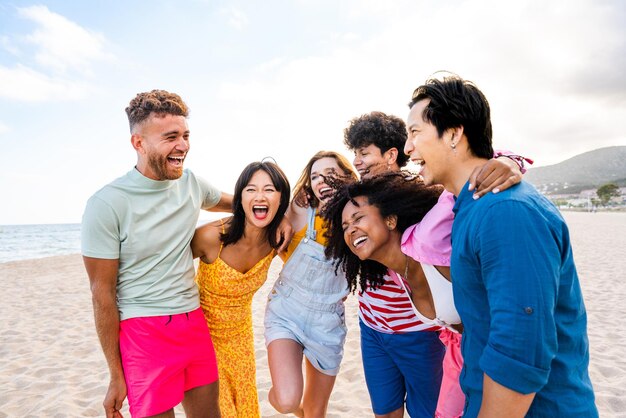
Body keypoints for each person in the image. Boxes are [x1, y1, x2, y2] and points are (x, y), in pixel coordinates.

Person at [404, 75, 598, 417]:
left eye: (415, 132)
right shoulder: (469, 206)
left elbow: (520, 352)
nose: (408, 148)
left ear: (453, 134)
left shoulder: (505, 212)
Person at [343, 111, 525, 418]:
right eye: (354, 155)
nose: (357, 162)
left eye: (364, 153)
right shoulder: (358, 199)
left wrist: (508, 161)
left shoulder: (422, 196)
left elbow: (465, 180)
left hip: (423, 329)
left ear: (391, 155)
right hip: (375, 325)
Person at [81, 89, 235, 418]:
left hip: (193, 322)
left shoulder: (191, 183)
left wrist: (283, 209)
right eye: (170, 137)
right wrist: (115, 374)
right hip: (143, 333)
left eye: (185, 135)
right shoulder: (106, 204)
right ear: (138, 143)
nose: (182, 146)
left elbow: (240, 204)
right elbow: (102, 293)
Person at [192, 161, 290, 418]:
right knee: (221, 408)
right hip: (202, 336)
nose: (260, 196)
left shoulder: (277, 240)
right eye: (250, 189)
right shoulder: (211, 237)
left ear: (281, 198)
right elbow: (165, 268)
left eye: (269, 189)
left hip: (241, 337)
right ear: (240, 197)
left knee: (245, 407)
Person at [264, 151, 358, 418]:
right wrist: (285, 213)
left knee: (315, 413)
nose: (321, 181)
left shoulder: (358, 215)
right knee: (286, 401)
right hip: (287, 313)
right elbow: (266, 217)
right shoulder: (299, 208)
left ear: (347, 177)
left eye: (330, 174)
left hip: (328, 323)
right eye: (315, 176)